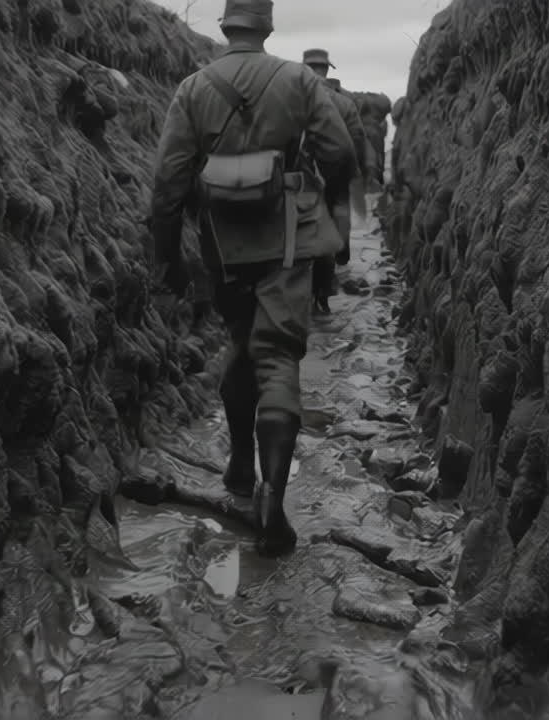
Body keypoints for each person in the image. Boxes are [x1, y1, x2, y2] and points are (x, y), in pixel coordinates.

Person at [149, 0, 356, 557]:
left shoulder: (193, 88)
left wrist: (168, 257)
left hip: (221, 246)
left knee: (243, 344)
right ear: (266, 26)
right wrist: (329, 194)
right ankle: (273, 501)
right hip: (287, 242)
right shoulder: (296, 79)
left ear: (225, 26)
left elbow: (168, 183)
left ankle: (241, 461)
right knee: (278, 355)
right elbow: (339, 150)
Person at [302, 49, 368, 316]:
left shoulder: (293, 97)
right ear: (327, 70)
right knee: (335, 221)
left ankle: (301, 292)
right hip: (337, 174)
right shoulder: (345, 103)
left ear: (305, 68)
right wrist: (357, 173)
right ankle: (323, 295)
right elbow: (358, 141)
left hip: (303, 177)